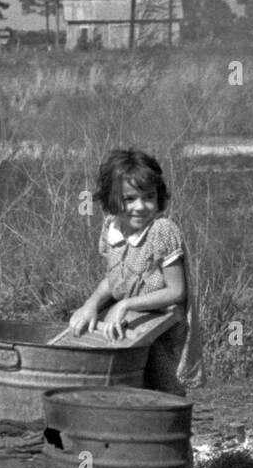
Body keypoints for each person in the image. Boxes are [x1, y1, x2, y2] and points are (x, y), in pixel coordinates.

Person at [68, 148, 204, 396]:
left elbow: (176, 290)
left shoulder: (161, 231)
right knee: (127, 382)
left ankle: (168, 430)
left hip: (163, 324)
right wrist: (91, 304)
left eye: (149, 197)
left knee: (163, 387)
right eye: (129, 199)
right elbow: (114, 279)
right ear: (111, 199)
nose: (140, 207)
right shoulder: (112, 227)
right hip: (131, 320)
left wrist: (125, 305)